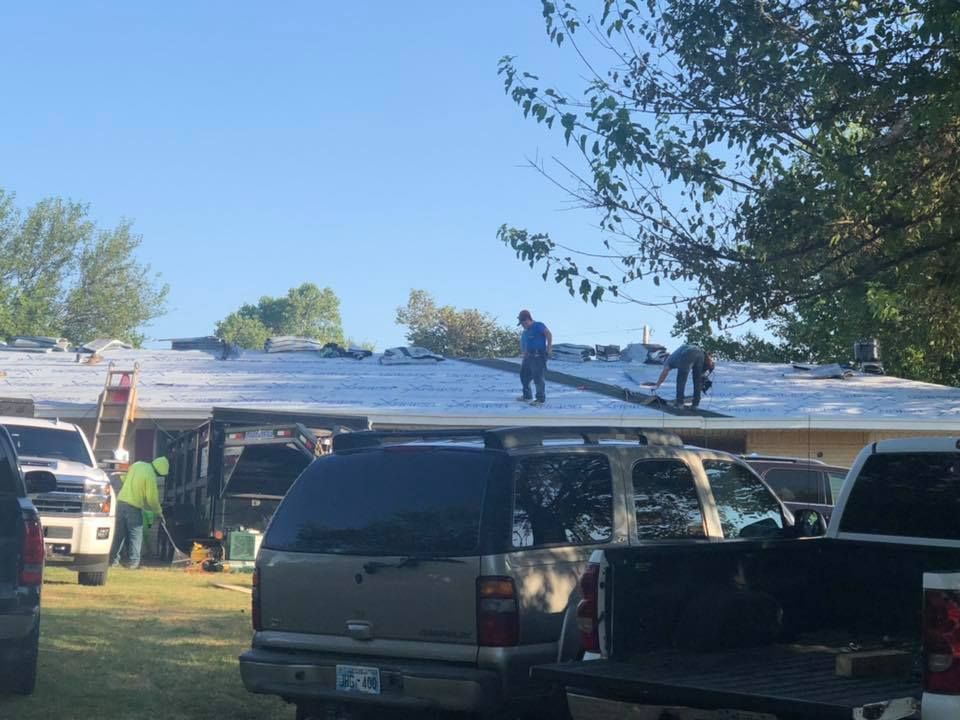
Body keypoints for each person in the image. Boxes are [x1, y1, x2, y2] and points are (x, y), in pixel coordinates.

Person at [112, 456, 168, 569]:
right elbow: (152, 498)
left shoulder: (137, 464)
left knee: (119, 535)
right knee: (135, 535)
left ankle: (113, 561)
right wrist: (159, 512)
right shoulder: (151, 475)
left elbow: (123, 478)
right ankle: (133, 563)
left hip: (120, 502)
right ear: (159, 471)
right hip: (134, 506)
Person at [649, 344, 715, 408]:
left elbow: (664, 373)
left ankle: (679, 403)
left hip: (688, 353)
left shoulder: (668, 360)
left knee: (681, 380)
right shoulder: (675, 355)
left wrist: (657, 385)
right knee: (697, 380)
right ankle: (695, 404)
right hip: (700, 353)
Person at [517, 309, 553, 406]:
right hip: (528, 357)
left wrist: (549, 348)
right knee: (524, 376)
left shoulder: (538, 325)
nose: (522, 325)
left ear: (528, 319)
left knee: (538, 377)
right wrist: (524, 353)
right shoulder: (525, 331)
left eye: (523, 323)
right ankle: (527, 395)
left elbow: (548, 334)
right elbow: (524, 343)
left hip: (538, 356)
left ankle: (540, 399)